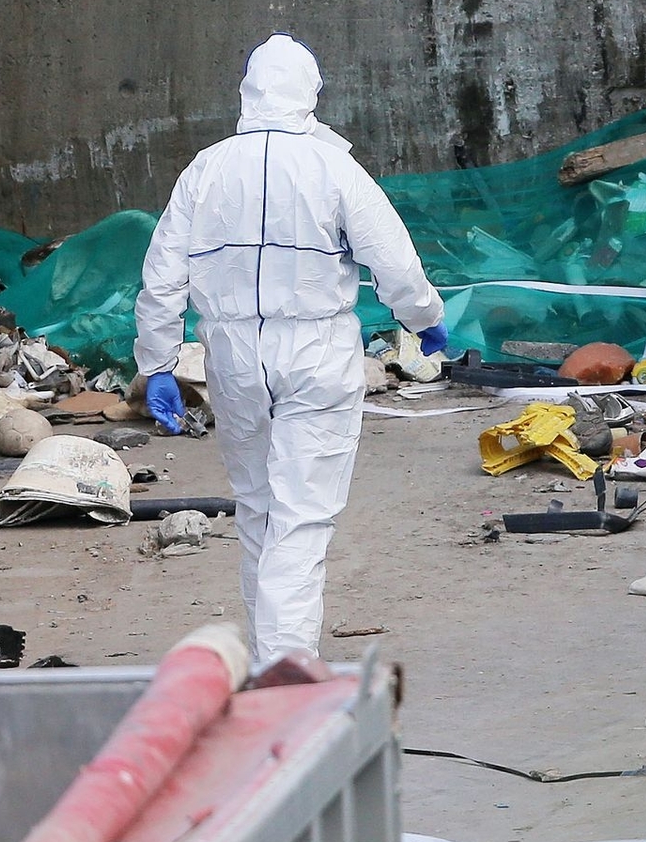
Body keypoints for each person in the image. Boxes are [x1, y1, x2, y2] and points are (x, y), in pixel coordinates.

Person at [134, 35, 443, 675]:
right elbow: (395, 262)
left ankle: (266, 661)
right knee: (302, 517)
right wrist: (425, 320)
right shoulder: (333, 168)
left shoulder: (207, 168)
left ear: (246, 92)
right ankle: (287, 672)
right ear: (310, 94)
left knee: (257, 507)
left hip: (232, 353)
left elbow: (162, 277)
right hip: (316, 348)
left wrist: (158, 363)